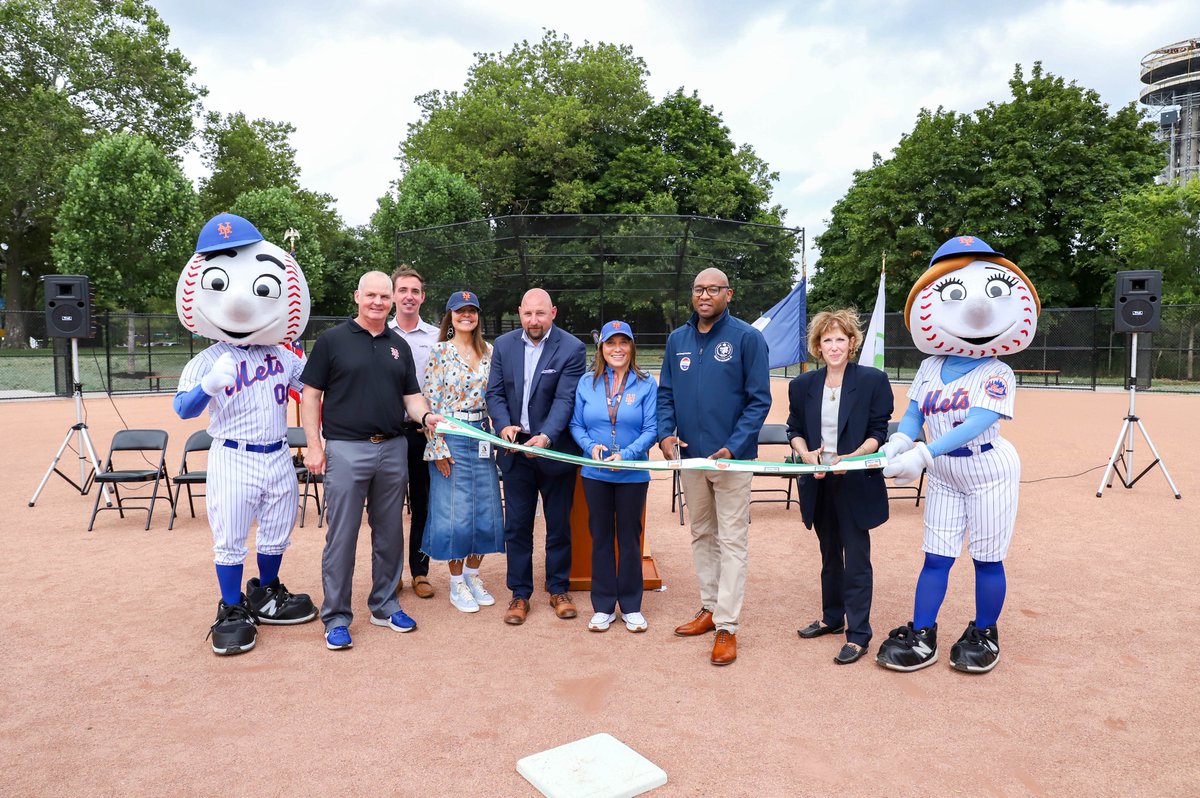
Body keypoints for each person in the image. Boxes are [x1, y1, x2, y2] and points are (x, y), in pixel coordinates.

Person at [876, 235, 1041, 674]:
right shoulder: (930, 366)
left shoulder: (997, 370)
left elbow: (976, 424)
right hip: (946, 474)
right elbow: (913, 413)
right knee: (936, 555)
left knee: (987, 558)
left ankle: (985, 631)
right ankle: (923, 632)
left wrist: (923, 454)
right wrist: (900, 441)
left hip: (989, 470)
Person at [173, 213, 318, 656]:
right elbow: (183, 409)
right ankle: (232, 607)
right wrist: (207, 386)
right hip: (232, 455)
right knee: (231, 537)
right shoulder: (208, 359)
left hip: (277, 452)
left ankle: (267, 592)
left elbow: (310, 392)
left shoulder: (283, 354)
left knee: (278, 530)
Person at [300, 271, 445, 651]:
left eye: (384, 296)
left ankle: (383, 605)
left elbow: (411, 397)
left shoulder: (399, 345)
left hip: (393, 447)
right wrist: (314, 446)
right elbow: (311, 396)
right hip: (346, 449)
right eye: (372, 296)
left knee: (390, 534)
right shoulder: (332, 341)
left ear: (392, 301)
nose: (378, 302)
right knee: (342, 537)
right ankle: (336, 616)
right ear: (357, 297)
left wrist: (426, 416)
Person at [658, 267, 771, 665]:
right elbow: (666, 394)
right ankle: (709, 608)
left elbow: (760, 400)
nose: (704, 295)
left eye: (713, 289)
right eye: (698, 289)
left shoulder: (747, 338)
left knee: (733, 540)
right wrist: (664, 435)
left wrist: (734, 447)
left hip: (732, 462)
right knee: (702, 534)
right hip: (690, 458)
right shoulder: (678, 340)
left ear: (729, 294)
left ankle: (727, 625)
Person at [786, 309, 893, 665]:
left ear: (852, 343)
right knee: (829, 555)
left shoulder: (873, 381)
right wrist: (806, 456)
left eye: (840, 339)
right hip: (818, 483)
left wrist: (851, 457)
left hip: (855, 482)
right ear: (818, 346)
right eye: (827, 340)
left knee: (857, 559)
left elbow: (879, 431)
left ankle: (859, 634)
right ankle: (832, 618)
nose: (834, 346)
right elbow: (794, 430)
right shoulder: (802, 386)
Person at [485, 288, 587, 625]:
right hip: (514, 450)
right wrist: (502, 426)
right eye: (528, 314)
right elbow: (495, 393)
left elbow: (565, 399)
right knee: (517, 526)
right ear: (520, 311)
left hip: (554, 450)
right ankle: (519, 593)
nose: (533, 320)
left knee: (558, 525)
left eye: (540, 314)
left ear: (553, 313)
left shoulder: (571, 348)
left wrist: (547, 435)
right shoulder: (503, 345)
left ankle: (558, 588)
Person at [570, 320, 658, 633]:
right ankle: (604, 605)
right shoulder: (587, 382)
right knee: (602, 537)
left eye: (623, 343)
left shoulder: (646, 383)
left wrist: (629, 455)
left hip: (632, 475)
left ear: (632, 347)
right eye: (611, 343)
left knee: (630, 540)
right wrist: (589, 446)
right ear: (602, 348)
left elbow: (651, 429)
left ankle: (632, 606)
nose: (617, 349)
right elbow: (576, 425)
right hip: (595, 473)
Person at [421, 291, 505, 613]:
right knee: (455, 514)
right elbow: (430, 404)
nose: (466, 315)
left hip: (482, 434)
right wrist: (437, 446)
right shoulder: (440, 352)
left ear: (478, 316)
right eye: (460, 311)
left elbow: (495, 396)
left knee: (485, 511)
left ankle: (473, 576)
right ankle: (456, 584)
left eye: (472, 311)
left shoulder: (490, 352)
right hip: (451, 437)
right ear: (450, 316)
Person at [389, 267, 440, 600]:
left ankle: (420, 572)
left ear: (422, 297)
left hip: (422, 433)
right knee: (388, 508)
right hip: (388, 435)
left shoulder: (437, 337)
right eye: (403, 289)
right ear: (394, 294)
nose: (409, 296)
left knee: (423, 505)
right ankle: (391, 575)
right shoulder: (379, 333)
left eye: (415, 291)